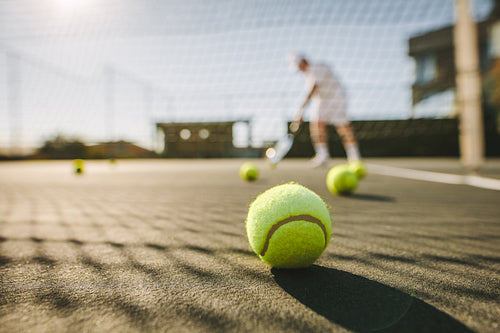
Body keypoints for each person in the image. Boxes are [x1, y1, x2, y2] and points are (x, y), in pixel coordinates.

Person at [288, 54, 362, 167]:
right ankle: (322, 155)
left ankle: (354, 156)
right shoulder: (307, 74)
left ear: (303, 62)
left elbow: (313, 88)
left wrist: (301, 110)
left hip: (336, 98)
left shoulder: (317, 68)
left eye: (299, 67)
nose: (300, 70)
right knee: (316, 125)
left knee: (343, 126)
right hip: (321, 100)